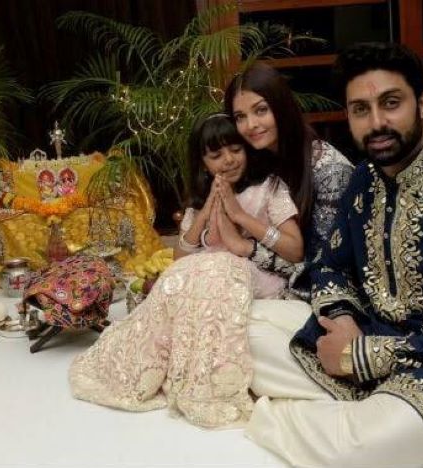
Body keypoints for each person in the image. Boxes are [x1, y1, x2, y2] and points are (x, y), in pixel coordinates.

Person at [245, 42, 423, 467]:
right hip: (366, 331)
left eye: (391, 103)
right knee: (246, 329)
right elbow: (330, 266)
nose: (377, 122)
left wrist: (362, 356)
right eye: (360, 109)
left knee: (356, 450)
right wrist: (345, 322)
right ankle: (352, 412)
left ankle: (285, 415)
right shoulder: (365, 179)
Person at [69, 115, 303, 427]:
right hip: (208, 275)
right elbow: (180, 258)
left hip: (255, 274)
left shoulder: (269, 187)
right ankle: (143, 370)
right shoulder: (201, 202)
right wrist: (205, 212)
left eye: (236, 150)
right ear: (203, 162)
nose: (229, 160)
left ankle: (211, 384)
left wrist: (239, 216)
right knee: (176, 277)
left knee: (215, 265)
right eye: (216, 155)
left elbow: (295, 249)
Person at [224, 62, 353, 290]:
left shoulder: (330, 170)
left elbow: (324, 266)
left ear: (282, 107)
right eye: (240, 116)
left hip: (332, 292)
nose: (250, 125)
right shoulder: (258, 163)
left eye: (261, 110)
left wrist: (248, 248)